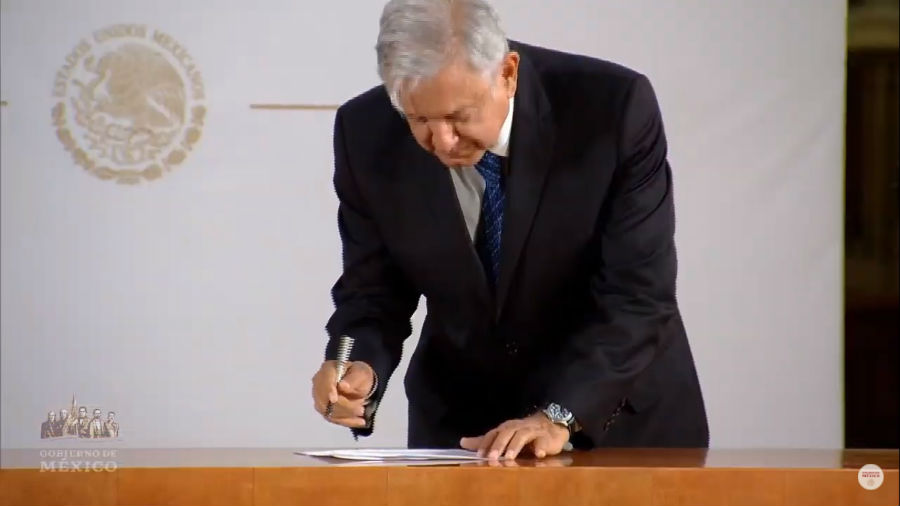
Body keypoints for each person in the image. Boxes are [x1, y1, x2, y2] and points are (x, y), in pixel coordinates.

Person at [312, 0, 709, 459]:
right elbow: (372, 292)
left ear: (507, 73)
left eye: (459, 116)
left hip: (618, 424)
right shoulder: (364, 131)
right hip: (465, 431)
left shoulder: (611, 109)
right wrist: (358, 364)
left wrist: (559, 416)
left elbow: (638, 295)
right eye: (418, 119)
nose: (442, 142)